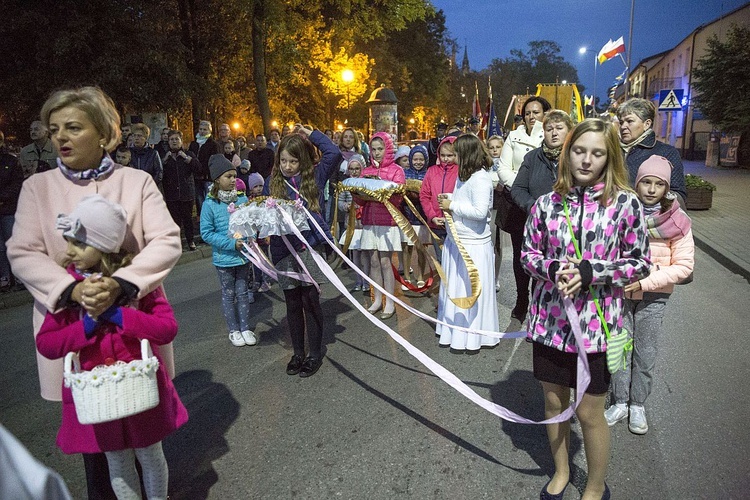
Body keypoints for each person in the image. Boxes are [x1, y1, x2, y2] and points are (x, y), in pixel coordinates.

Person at [7, 85, 182, 500]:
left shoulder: (136, 181)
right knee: (95, 443)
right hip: (72, 330)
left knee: (142, 437)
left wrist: (123, 286)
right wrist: (70, 291)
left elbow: (166, 239)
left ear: (104, 134)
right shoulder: (37, 187)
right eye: (54, 130)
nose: (60, 138)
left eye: (72, 127)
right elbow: (22, 250)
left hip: (132, 336)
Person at [521, 118, 650, 500]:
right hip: (549, 324)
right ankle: (561, 471)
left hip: (596, 330)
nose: (586, 160)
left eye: (597, 153)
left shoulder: (625, 203)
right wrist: (551, 268)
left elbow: (640, 262)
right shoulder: (547, 203)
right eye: (579, 151)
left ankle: (594, 486)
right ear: (567, 152)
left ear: (609, 157)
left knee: (590, 413)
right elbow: (528, 254)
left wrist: (593, 272)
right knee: (553, 401)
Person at [35, 194, 188, 500]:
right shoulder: (68, 289)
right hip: (97, 397)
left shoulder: (137, 282)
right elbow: (48, 343)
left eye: (79, 244)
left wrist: (120, 315)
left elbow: (166, 327)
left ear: (105, 245)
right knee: (116, 461)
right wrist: (87, 326)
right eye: (69, 243)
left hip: (141, 389)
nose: (69, 252)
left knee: (150, 455)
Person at [605, 155, 694, 435]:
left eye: (659, 184)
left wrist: (646, 282)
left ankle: (638, 404)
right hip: (621, 293)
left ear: (667, 188)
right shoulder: (622, 212)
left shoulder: (677, 222)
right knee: (619, 348)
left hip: (654, 297)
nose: (652, 189)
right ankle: (619, 400)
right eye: (646, 182)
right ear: (637, 183)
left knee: (645, 351)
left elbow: (684, 266)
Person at [263, 125, 342, 377]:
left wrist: (312, 133)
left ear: (303, 160)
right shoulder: (272, 183)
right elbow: (266, 214)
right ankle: (297, 353)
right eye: (283, 160)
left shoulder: (314, 177)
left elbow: (334, 153)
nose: (287, 166)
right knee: (292, 302)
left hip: (309, 247)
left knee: (310, 299)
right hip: (282, 248)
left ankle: (314, 353)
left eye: (293, 161)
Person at [435, 134, 500, 352]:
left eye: (457, 153)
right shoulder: (464, 176)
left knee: (469, 287)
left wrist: (452, 205)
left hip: (473, 244)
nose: (453, 158)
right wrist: (448, 206)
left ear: (467, 154)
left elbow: (480, 213)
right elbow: (461, 202)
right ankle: (455, 331)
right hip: (458, 238)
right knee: (456, 285)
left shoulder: (481, 178)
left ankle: (473, 336)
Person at [497, 95, 550, 326]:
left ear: (545, 115)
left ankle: (541, 303)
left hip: (543, 207)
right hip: (519, 203)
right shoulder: (514, 136)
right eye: (528, 113)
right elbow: (503, 167)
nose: (531, 117)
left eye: (536, 112)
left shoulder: (550, 136)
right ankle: (522, 300)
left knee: (542, 257)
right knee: (520, 257)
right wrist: (520, 189)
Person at [200, 155, 256, 347]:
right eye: (228, 176)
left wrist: (250, 238)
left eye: (234, 176)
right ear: (217, 179)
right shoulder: (210, 204)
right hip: (224, 259)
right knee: (228, 294)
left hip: (243, 257)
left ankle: (245, 327)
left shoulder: (242, 199)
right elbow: (206, 233)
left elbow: (250, 223)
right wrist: (231, 244)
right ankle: (234, 330)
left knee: (243, 293)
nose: (233, 180)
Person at [356, 132, 405, 320]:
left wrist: (385, 192)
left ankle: (390, 301)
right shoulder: (366, 171)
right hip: (370, 220)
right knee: (374, 261)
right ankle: (377, 298)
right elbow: (360, 201)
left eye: (380, 149)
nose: (376, 153)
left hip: (387, 221)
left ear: (388, 149)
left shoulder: (396, 171)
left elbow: (398, 198)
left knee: (386, 261)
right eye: (373, 149)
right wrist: (357, 193)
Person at [618, 98, 687, 203]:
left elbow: (678, 194)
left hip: (647, 217)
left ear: (647, 124)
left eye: (629, 121)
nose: (623, 126)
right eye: (621, 122)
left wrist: (651, 208)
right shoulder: (613, 150)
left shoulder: (667, 152)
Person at [511, 110, 574, 213]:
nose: (554, 133)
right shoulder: (532, 158)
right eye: (549, 129)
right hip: (540, 221)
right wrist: (534, 207)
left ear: (569, 131)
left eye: (559, 128)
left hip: (570, 219)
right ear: (544, 132)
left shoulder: (577, 156)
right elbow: (518, 189)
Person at [420, 135, 458, 261]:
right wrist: (432, 216)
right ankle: (443, 281)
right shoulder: (431, 171)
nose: (446, 159)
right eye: (443, 155)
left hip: (454, 224)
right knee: (441, 259)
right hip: (436, 224)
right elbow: (425, 195)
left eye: (450, 155)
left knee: (455, 260)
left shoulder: (460, 172)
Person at [162, 130, 201, 251]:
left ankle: (190, 241)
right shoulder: (165, 156)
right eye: (171, 139)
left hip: (186, 193)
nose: (174, 141)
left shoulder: (188, 154)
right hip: (171, 194)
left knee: (188, 219)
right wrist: (164, 160)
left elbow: (198, 169)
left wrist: (187, 158)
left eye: (176, 139)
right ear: (168, 141)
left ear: (181, 141)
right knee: (174, 220)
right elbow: (160, 172)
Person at [401, 144, 430, 290]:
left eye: (421, 159)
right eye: (415, 159)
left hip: (422, 216)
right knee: (407, 247)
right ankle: (406, 277)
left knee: (421, 247)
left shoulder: (428, 174)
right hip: (407, 215)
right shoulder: (404, 174)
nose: (418, 162)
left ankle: (420, 276)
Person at [338, 154, 367, 292]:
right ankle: (358, 280)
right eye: (351, 169)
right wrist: (346, 206)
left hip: (364, 224)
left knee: (365, 254)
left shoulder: (366, 183)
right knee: (355, 254)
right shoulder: (346, 184)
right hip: (352, 224)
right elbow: (340, 202)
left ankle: (367, 281)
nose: (354, 171)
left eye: (357, 168)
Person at [0, 131, 23, 290]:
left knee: (12, 242)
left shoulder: (10, 161)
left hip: (8, 208)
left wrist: (2, 197)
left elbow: (17, 183)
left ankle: (20, 275)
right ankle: (5, 276)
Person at [246, 172, 271, 293]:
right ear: (251, 188)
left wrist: (267, 234)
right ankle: (258, 280)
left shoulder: (265, 200)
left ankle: (266, 280)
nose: (259, 189)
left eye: (261, 186)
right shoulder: (248, 201)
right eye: (256, 186)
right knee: (256, 260)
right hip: (253, 237)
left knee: (265, 259)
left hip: (263, 235)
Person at [188, 120, 219, 218]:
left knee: (209, 197)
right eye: (200, 129)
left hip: (207, 176)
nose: (202, 131)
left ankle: (211, 217)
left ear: (209, 131)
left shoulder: (213, 144)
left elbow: (214, 160)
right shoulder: (194, 144)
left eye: (205, 129)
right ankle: (202, 216)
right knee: (198, 198)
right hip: (195, 176)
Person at [486, 134, 505, 292]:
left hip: (498, 208)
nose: (494, 150)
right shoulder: (484, 165)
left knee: (497, 244)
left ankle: (495, 277)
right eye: (491, 147)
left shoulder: (505, 165)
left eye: (497, 147)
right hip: (486, 209)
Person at [129, 123, 163, 189]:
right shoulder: (128, 152)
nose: (136, 138)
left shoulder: (153, 153)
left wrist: (150, 185)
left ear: (145, 138)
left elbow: (159, 172)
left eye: (139, 136)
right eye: (134, 135)